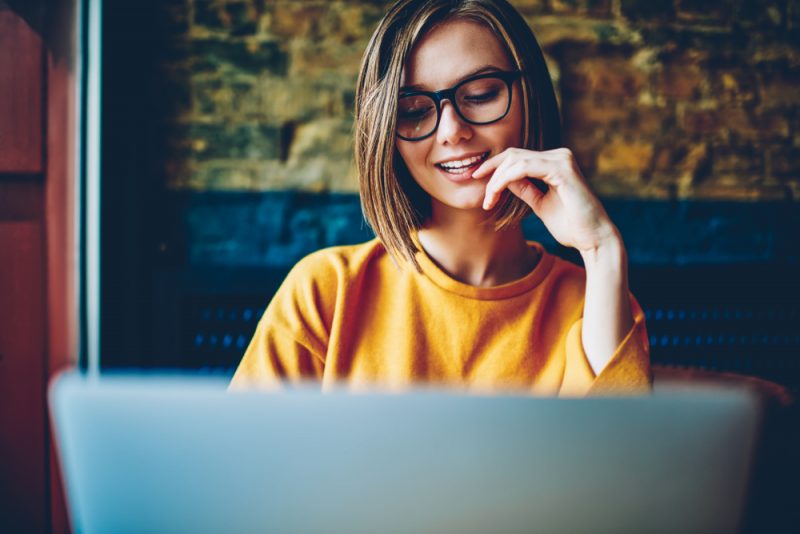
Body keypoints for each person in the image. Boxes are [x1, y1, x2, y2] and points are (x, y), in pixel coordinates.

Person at [232, 0, 651, 395]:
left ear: (531, 98)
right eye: (414, 110)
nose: (451, 130)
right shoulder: (325, 292)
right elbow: (235, 462)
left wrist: (601, 249)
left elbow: (622, 462)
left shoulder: (596, 300)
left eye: (482, 94)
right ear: (387, 134)